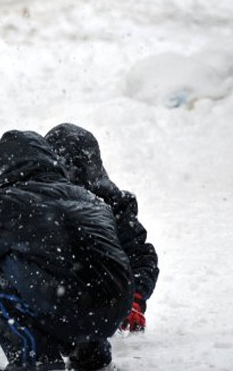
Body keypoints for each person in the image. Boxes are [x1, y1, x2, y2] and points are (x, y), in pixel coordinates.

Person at [0, 130, 132, 371]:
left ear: (2, 171)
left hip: (71, 307)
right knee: (80, 267)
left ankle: (35, 359)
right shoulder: (92, 199)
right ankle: (91, 352)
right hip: (114, 309)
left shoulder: (18, 203)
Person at [44, 123, 159, 333]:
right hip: (48, 301)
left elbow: (140, 256)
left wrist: (135, 299)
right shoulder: (38, 201)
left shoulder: (113, 205)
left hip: (99, 302)